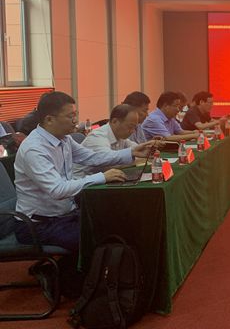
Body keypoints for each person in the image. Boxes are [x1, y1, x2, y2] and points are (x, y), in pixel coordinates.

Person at [13, 91, 154, 252]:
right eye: (70, 116)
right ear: (49, 119)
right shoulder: (34, 149)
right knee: (98, 238)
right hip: (38, 225)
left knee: (118, 224)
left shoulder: (64, 139)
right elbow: (57, 190)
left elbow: (92, 157)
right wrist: (102, 177)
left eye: (76, 114)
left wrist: (132, 152)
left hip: (64, 215)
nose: (76, 121)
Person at [72, 104, 142, 178]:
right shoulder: (97, 137)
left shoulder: (120, 135)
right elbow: (108, 162)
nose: (132, 131)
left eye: (134, 128)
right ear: (115, 121)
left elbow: (136, 149)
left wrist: (145, 149)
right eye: (130, 127)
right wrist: (133, 154)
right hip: (83, 181)